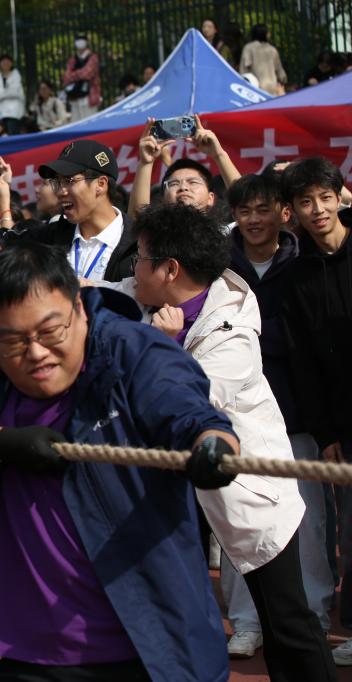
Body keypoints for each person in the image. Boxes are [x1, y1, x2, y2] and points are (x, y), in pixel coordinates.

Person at [0, 241, 235, 682]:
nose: (36, 353)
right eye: (12, 341)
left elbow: (192, 415)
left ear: (79, 310)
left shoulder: (132, 350)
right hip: (35, 650)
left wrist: (214, 448)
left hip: (151, 644)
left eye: (50, 332)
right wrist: (2, 443)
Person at [120, 201, 335, 681]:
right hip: (173, 489)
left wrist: (163, 346)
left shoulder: (231, 329)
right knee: (166, 618)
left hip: (248, 486)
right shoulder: (142, 298)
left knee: (287, 621)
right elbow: (87, 291)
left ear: (170, 269)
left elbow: (188, 403)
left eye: (140, 258)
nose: (132, 269)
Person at [223, 174, 334, 659]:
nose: (254, 219)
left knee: (306, 523)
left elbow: (307, 339)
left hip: (295, 415)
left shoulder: (303, 262)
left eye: (263, 209)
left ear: (283, 213)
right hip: (233, 417)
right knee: (237, 521)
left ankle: (313, 615)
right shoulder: (219, 266)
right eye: (244, 211)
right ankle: (247, 622)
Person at [279, 158, 352, 666]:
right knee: (350, 530)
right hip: (342, 422)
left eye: (325, 197)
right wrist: (325, 432)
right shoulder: (295, 277)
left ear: (340, 196)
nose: (318, 209)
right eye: (306, 201)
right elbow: (303, 361)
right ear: (293, 210)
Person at [29, 140, 136, 282]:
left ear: (101, 184)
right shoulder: (49, 238)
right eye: (57, 183)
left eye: (69, 181)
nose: (60, 192)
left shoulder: (138, 243)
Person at [128, 116, 241, 221]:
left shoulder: (225, 232)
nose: (183, 188)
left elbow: (244, 202)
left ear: (210, 198)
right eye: (174, 184)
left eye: (193, 182)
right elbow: (136, 221)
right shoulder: (151, 235)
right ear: (163, 199)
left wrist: (219, 154)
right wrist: (145, 163)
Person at [63, 33, 101, 121]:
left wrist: (73, 74)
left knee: (90, 121)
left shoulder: (93, 57)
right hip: (75, 96)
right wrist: (79, 74)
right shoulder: (73, 59)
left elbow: (87, 74)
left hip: (89, 97)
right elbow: (66, 77)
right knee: (76, 122)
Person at [240, 24, 287, 96]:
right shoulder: (272, 49)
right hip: (272, 87)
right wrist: (283, 80)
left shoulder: (248, 48)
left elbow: (244, 68)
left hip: (255, 87)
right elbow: (280, 71)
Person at [0, 54, 25, 136]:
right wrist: (5, 92)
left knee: (13, 136)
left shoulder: (16, 76)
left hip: (14, 113)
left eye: (7, 61)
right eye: (3, 62)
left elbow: (14, 92)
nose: (5, 63)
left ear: (11, 63)